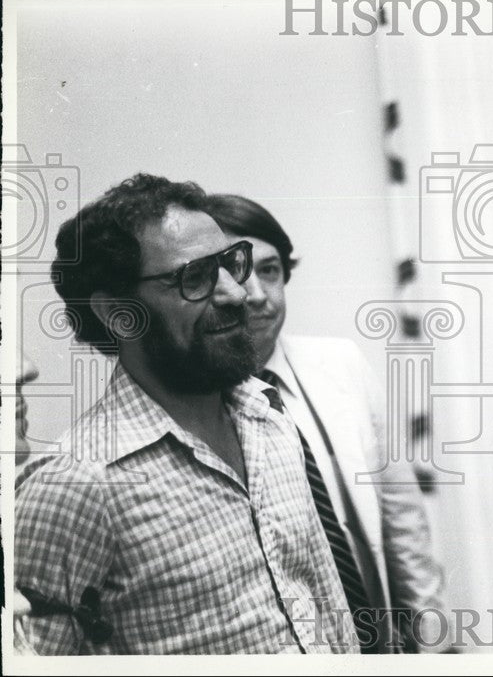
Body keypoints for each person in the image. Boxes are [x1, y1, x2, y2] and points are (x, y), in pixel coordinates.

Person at [15, 174, 358, 654]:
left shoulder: (271, 419)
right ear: (119, 312)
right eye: (194, 277)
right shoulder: (76, 483)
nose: (238, 295)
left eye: (229, 265)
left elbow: (327, 609)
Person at [204, 193, 450, 654]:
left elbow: (403, 522)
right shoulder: (200, 403)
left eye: (271, 271)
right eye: (238, 272)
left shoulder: (340, 364)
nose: (257, 295)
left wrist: (432, 649)